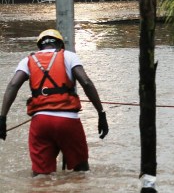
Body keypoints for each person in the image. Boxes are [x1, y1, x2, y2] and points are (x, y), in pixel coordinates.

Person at [0, 29, 108, 176]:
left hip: (40, 122)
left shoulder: (27, 61)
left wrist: (2, 118)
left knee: (40, 176)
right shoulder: (69, 56)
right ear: (60, 45)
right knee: (81, 171)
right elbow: (86, 82)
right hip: (68, 121)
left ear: (40, 46)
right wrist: (101, 113)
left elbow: (13, 85)